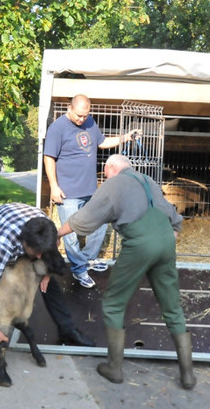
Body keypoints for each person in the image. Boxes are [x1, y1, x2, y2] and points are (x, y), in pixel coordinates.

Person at [57, 154, 197, 390]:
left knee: (113, 302)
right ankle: (188, 374)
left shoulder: (115, 183)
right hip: (166, 242)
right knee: (172, 306)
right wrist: (162, 241)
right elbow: (175, 220)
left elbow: (86, 217)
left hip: (140, 244)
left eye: (104, 173)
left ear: (110, 168)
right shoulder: (148, 180)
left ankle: (114, 368)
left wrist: (57, 234)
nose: (104, 177)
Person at [0, 202, 95, 361]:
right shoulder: (3, 245)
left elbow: (51, 253)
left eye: (42, 252)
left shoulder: (47, 231)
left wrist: (47, 274)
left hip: (22, 222)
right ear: (24, 243)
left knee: (49, 285)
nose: (39, 257)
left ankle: (68, 330)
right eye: (36, 252)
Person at [44, 94, 141, 288]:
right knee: (70, 232)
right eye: (79, 115)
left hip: (90, 189)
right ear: (69, 109)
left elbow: (102, 142)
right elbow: (49, 157)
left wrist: (126, 137)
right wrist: (54, 186)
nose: (82, 119)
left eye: (85, 115)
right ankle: (79, 269)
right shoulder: (57, 127)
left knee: (101, 222)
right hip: (68, 192)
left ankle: (87, 258)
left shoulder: (89, 123)